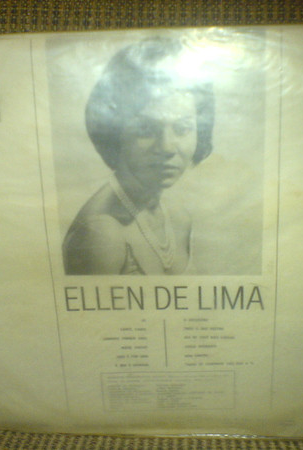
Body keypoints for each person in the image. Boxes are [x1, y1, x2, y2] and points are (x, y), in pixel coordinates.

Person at [63, 37, 214, 275]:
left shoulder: (178, 218)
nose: (167, 147)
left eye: (182, 128)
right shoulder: (102, 232)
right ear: (115, 134)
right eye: (146, 130)